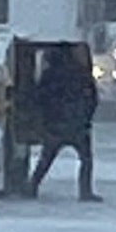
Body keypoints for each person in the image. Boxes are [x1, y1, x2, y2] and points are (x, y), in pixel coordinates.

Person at [29, 46, 102, 202]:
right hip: (78, 124)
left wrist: (45, 119)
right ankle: (85, 192)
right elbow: (92, 98)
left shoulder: (49, 75)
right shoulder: (81, 74)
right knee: (86, 160)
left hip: (56, 124)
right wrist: (86, 118)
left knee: (46, 159)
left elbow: (39, 98)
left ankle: (32, 186)